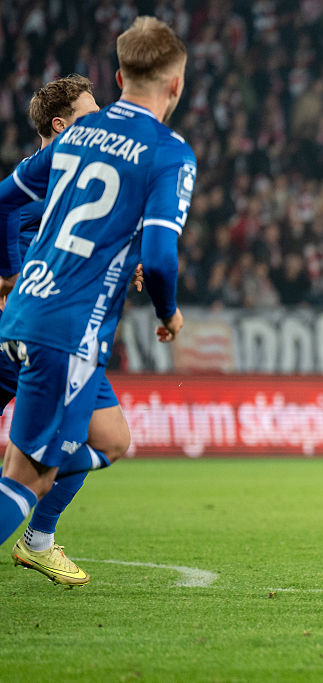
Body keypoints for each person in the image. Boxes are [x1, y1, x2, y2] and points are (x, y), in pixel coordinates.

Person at [0, 16, 194, 572]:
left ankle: (37, 529)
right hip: (65, 330)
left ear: (118, 74)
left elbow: (4, 203)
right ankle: (35, 534)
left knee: (108, 440)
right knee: (26, 479)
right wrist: (169, 312)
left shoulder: (76, 138)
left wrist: (8, 279)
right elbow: (161, 256)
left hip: (27, 313)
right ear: (176, 85)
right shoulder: (168, 152)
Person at [0, 74, 142, 587]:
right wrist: (10, 276)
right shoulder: (41, 179)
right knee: (67, 441)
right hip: (29, 330)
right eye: (90, 111)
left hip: (61, 332)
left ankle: (37, 537)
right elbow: (5, 214)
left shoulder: (75, 178)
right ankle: (25, 512)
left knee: (91, 431)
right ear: (60, 126)